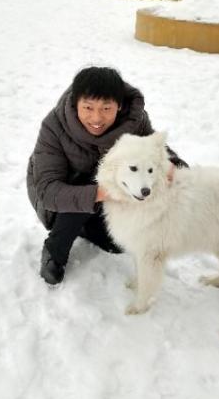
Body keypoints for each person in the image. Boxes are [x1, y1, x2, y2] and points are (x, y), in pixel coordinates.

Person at [27, 66, 187, 285]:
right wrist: (102, 192)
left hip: (111, 197)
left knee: (116, 245)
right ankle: (55, 250)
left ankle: (89, 227)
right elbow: (48, 190)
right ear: (76, 104)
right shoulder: (54, 127)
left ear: (119, 106)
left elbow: (156, 152)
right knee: (91, 181)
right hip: (63, 199)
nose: (96, 117)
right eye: (88, 108)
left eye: (106, 109)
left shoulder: (134, 121)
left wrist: (173, 167)